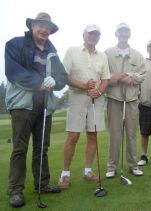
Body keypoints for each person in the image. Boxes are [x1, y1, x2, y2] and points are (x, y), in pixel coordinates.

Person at [5, 12, 67, 207]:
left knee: (42, 148)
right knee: (20, 148)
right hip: (23, 105)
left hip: (45, 106)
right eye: (41, 25)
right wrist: (38, 82)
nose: (44, 30)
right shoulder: (15, 44)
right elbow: (12, 71)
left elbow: (62, 77)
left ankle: (42, 183)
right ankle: (15, 190)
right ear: (33, 26)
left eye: (48, 28)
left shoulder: (52, 51)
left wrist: (55, 81)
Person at [57, 24, 110, 189]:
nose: (93, 37)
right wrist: (84, 86)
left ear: (99, 38)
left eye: (96, 35)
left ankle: (88, 170)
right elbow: (65, 76)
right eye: (90, 34)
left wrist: (99, 92)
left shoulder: (102, 56)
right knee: (73, 136)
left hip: (96, 100)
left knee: (93, 135)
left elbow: (106, 79)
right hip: (77, 98)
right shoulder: (72, 51)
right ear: (84, 35)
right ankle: (65, 174)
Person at [105, 23, 146, 178]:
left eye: (126, 31)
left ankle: (133, 165)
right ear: (116, 33)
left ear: (129, 34)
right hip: (114, 98)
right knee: (114, 134)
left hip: (131, 99)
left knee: (131, 133)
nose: (123, 34)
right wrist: (115, 77)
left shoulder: (137, 54)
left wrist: (131, 76)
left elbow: (142, 74)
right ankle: (111, 167)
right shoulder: (107, 53)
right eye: (120, 31)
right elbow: (103, 74)